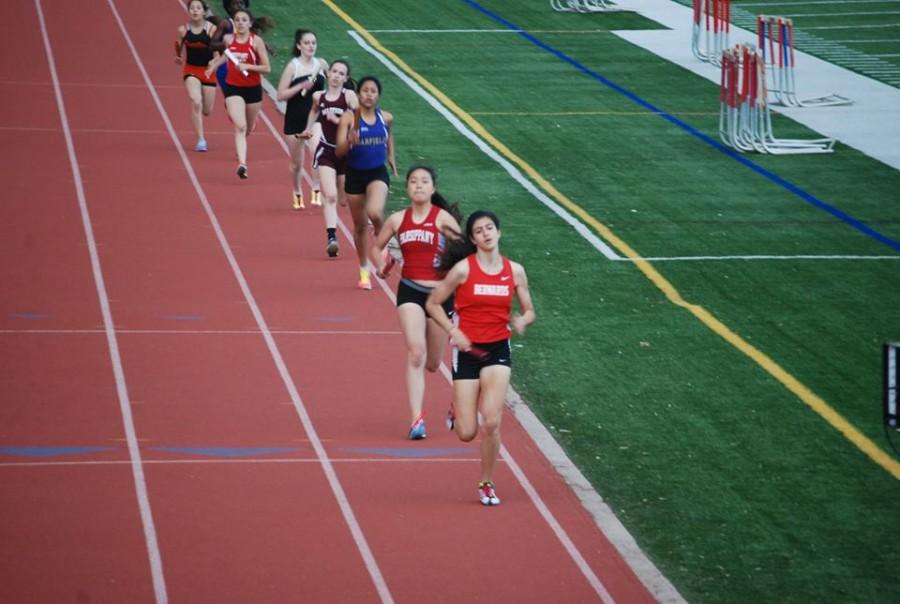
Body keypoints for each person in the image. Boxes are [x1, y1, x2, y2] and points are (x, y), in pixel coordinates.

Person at [425, 210, 536, 506]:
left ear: (499, 233)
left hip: (498, 349)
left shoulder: (515, 271)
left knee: (491, 423)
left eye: (490, 228)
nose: (486, 233)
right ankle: (457, 410)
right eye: (479, 230)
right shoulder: (462, 270)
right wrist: (453, 330)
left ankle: (486, 481)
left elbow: (529, 309)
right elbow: (433, 303)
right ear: (473, 239)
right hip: (467, 351)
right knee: (466, 432)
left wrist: (523, 320)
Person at [370, 166, 462, 440]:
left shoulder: (444, 219)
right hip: (409, 289)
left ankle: (457, 402)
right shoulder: (398, 220)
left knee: (433, 363)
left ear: (433, 189)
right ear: (408, 188)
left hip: (439, 296)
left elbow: (463, 255)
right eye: (413, 181)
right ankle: (416, 420)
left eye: (424, 181)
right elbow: (376, 247)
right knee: (416, 352)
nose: (419, 185)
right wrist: (381, 264)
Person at [335, 75, 397, 290]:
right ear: (359, 94)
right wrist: (349, 143)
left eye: (373, 91)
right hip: (354, 175)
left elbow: (389, 135)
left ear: (378, 95)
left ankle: (384, 244)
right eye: (365, 90)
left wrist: (391, 157)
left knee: (375, 213)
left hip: (377, 173)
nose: (369, 94)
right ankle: (364, 271)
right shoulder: (348, 119)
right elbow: (339, 152)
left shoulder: (385, 117)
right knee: (360, 226)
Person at [299, 59, 357, 256]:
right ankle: (332, 238)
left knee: (343, 199)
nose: (336, 76)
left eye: (341, 73)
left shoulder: (348, 96)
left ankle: (361, 220)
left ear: (346, 78)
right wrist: (308, 128)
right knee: (330, 196)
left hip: (346, 153)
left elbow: (358, 117)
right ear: (328, 74)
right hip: (326, 151)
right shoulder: (318, 96)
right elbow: (314, 111)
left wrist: (340, 121)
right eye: (334, 72)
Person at [205, 8, 270, 179]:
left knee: (247, 128)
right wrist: (214, 65)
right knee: (240, 126)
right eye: (237, 20)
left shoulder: (256, 42)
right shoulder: (228, 39)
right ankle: (242, 164)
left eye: (244, 20)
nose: (240, 22)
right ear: (234, 23)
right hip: (233, 87)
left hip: (253, 89)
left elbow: (267, 68)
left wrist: (248, 67)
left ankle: (251, 124)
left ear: (250, 23)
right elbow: (228, 56)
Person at [277, 29, 328, 210]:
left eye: (313, 42)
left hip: (316, 118)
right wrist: (301, 86)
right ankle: (297, 189)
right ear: (299, 45)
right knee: (296, 164)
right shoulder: (293, 67)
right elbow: (280, 95)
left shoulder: (321, 64)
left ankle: (316, 188)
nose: (311, 46)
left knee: (316, 151)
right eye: (306, 43)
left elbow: (334, 85)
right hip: (295, 118)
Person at [174, 0, 217, 152]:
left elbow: (218, 53)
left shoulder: (211, 29)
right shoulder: (183, 30)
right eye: (192, 8)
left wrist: (214, 62)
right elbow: (178, 45)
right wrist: (178, 56)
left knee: (207, 110)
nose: (195, 11)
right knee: (195, 100)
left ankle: (201, 131)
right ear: (188, 11)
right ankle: (201, 139)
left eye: (198, 8)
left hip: (208, 71)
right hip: (191, 70)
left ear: (204, 12)